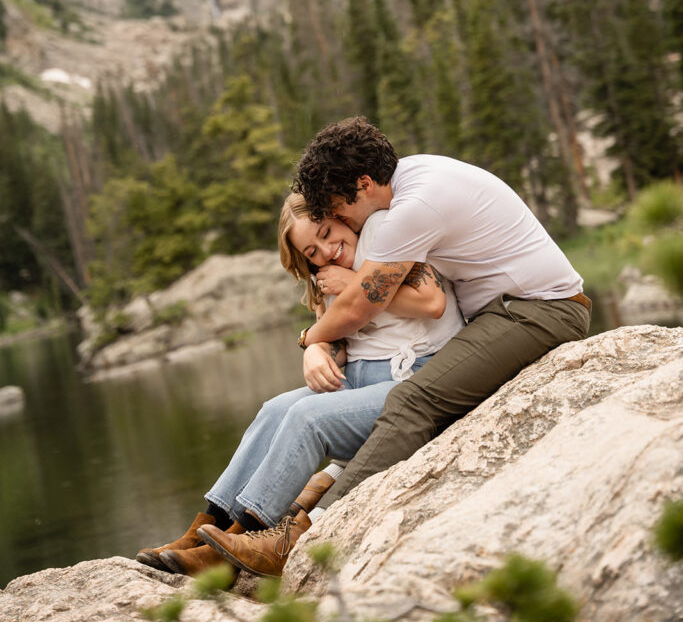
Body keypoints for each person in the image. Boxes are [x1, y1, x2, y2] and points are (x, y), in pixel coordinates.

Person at [213, 116, 592, 572]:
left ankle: (307, 533)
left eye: (336, 208)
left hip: (538, 309)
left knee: (414, 400)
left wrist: (309, 340)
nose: (339, 220)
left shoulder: (411, 210)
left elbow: (360, 306)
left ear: (365, 183)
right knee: (300, 408)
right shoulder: (415, 173)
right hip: (507, 311)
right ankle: (233, 522)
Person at [136, 191, 463, 578]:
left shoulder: (383, 235)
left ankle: (233, 550)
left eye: (326, 233)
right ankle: (204, 531)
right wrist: (316, 349)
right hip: (359, 378)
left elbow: (432, 303)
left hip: (413, 378)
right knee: (274, 410)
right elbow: (338, 335)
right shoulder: (326, 271)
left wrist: (356, 283)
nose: (326, 250)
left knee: (309, 417)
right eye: (312, 250)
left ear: (340, 216)